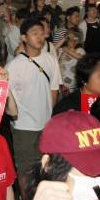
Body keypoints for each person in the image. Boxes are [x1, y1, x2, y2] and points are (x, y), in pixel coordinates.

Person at [5, 18, 61, 188]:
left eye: (41, 33)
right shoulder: (13, 66)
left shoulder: (50, 60)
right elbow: (9, 100)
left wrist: (50, 119)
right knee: (25, 170)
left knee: (45, 168)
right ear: (23, 37)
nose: (40, 37)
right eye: (34, 33)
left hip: (46, 125)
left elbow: (53, 90)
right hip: (24, 127)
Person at [58, 29, 86, 95]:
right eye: (69, 38)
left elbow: (81, 58)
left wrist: (67, 50)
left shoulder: (80, 50)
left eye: (74, 38)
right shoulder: (61, 49)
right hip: (60, 85)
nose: (72, 40)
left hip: (72, 87)